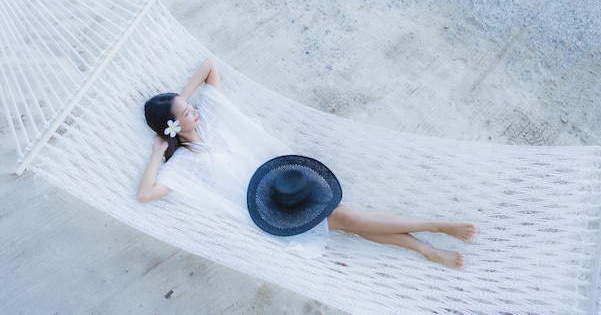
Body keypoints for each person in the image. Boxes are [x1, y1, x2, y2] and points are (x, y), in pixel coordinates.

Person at [138, 57, 476, 269]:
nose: (193, 110)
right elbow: (146, 194)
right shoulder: (185, 162)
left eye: (190, 106)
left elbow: (209, 64)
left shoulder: (211, 115)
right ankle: (431, 228)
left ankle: (428, 247)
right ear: (172, 127)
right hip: (269, 209)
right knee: (345, 217)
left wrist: (178, 101)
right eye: (186, 113)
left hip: (286, 181)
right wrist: (159, 149)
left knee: (347, 220)